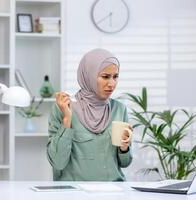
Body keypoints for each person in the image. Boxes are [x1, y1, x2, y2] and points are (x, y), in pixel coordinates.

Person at [47, 48, 133, 181]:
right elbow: (58, 162)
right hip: (75, 193)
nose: (112, 84)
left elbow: (125, 163)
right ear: (89, 75)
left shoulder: (119, 109)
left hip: (114, 192)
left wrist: (124, 148)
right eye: (105, 76)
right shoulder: (63, 108)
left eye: (115, 76)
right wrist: (67, 120)